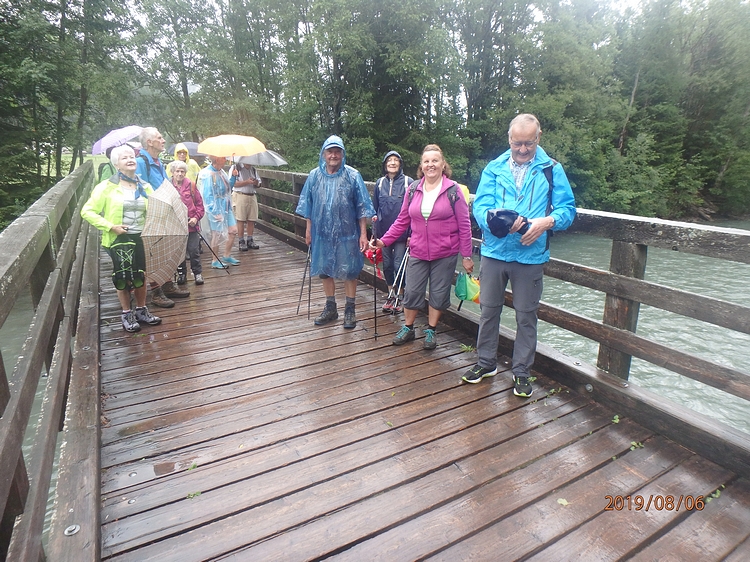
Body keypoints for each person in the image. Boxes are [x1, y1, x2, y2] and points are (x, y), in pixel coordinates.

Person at [462, 114, 576, 397]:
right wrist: (496, 221)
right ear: (509, 139)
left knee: (526, 316)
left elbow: (568, 210)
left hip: (530, 255)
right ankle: (485, 363)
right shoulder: (494, 167)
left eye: (529, 143)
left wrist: (546, 222)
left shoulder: (552, 169)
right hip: (494, 251)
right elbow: (480, 207)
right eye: (517, 143)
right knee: (488, 310)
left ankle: (522, 371)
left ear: (538, 137)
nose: (523, 149)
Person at [370, 144, 473, 350]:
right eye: (426, 161)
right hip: (417, 250)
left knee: (438, 293)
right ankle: (408, 327)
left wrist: (467, 255)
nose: (430, 165)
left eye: (435, 161)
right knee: (412, 291)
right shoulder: (413, 189)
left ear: (443, 164)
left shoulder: (453, 191)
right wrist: (383, 241)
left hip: (445, 252)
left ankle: (431, 330)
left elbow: (464, 225)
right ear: (421, 166)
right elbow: (402, 221)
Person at [295, 135, 376, 329]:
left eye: (337, 151)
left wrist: (363, 234)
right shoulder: (314, 176)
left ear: (342, 154)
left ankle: (350, 309)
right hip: (321, 232)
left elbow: (362, 207)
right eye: (330, 151)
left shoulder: (353, 176)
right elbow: (308, 205)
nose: (333, 155)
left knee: (349, 271)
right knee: (324, 270)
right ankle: (330, 307)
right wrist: (309, 230)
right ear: (323, 154)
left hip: (347, 233)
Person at [81, 145, 162, 333]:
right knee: (123, 276)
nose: (130, 160)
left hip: (141, 237)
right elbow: (87, 211)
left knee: (140, 274)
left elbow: (154, 210)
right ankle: (126, 313)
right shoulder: (107, 187)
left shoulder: (145, 186)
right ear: (116, 164)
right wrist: (111, 227)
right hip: (119, 239)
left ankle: (141, 310)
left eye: (132, 156)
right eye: (124, 158)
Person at [135, 127, 190, 305]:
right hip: (152, 214)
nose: (163, 140)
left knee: (165, 249)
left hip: (164, 212)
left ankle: (167, 285)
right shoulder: (141, 162)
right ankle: (156, 292)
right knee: (153, 253)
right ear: (149, 142)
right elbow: (139, 188)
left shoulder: (157, 162)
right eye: (159, 137)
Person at [372, 151, 412, 314]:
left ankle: (401, 296)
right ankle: (391, 294)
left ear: (400, 164)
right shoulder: (380, 183)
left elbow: (413, 210)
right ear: (385, 164)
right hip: (383, 234)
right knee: (387, 265)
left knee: (399, 265)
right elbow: (375, 209)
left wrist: (411, 234)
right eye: (389, 160)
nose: (393, 163)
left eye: (396, 160)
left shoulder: (408, 182)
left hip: (402, 233)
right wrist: (374, 232)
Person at [198, 155, 239, 268]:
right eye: (223, 158)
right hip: (215, 208)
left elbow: (228, 188)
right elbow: (207, 195)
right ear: (217, 159)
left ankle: (226, 255)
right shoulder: (208, 174)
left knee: (233, 230)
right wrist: (214, 212)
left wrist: (233, 177)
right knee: (216, 234)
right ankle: (215, 260)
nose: (225, 160)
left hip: (226, 206)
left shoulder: (221, 172)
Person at [170, 160, 205, 285]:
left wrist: (196, 218)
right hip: (175, 226)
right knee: (179, 252)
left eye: (182, 171)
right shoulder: (167, 187)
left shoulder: (191, 185)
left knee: (194, 250)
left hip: (191, 225)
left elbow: (200, 205)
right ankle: (182, 274)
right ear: (172, 172)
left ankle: (197, 273)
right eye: (177, 171)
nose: (180, 174)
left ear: (185, 173)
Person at [229, 161, 261, 250]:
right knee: (240, 219)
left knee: (252, 219)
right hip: (240, 195)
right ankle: (241, 241)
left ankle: (250, 240)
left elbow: (259, 183)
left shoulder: (253, 169)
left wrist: (256, 183)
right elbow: (233, 183)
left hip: (252, 195)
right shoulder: (236, 167)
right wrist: (246, 182)